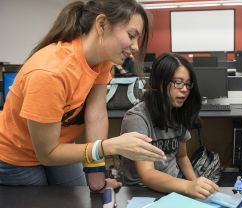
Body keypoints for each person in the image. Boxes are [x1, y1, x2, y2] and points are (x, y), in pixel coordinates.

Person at [0, 0, 166, 192]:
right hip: (16, 155)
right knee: (46, 200)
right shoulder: (50, 73)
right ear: (102, 25)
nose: (136, 47)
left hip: (59, 145)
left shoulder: (102, 61)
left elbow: (96, 115)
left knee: (81, 196)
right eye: (131, 35)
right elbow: (47, 154)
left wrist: (97, 180)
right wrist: (110, 146)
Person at [120, 53, 219, 199]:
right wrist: (188, 186)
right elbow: (147, 174)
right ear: (160, 82)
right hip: (142, 191)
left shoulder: (177, 112)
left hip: (173, 186)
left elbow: (182, 156)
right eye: (178, 82)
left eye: (187, 84)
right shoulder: (137, 118)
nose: (184, 89)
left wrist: (197, 186)